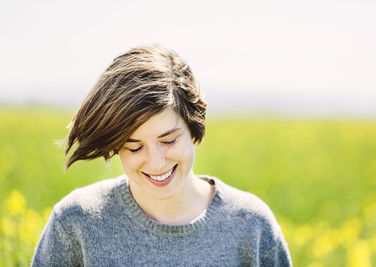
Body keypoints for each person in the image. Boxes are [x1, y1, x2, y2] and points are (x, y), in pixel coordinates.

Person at [31, 45, 292, 266]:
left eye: (168, 140)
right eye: (134, 147)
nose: (156, 163)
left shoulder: (251, 225)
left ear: (194, 127)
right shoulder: (76, 222)